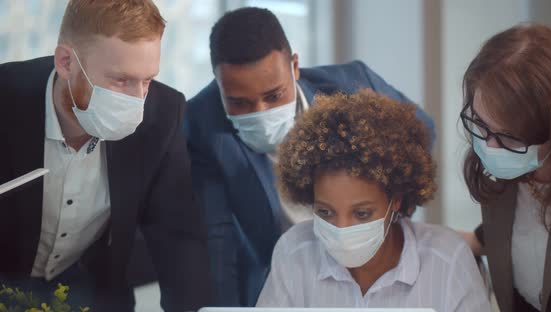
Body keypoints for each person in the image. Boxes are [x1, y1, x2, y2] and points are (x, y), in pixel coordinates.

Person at [183, 7, 435, 307]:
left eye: (274, 95)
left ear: (295, 66)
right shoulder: (200, 123)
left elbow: (420, 133)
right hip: (283, 276)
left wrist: (388, 216)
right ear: (218, 83)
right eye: (239, 103)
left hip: (372, 261)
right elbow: (218, 243)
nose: (260, 112)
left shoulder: (354, 86)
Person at [0, 1, 209, 310]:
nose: (137, 101)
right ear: (66, 62)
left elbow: (178, 240)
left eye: (147, 80)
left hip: (95, 296)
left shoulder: (162, 115)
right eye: (120, 80)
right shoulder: (6, 97)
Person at [255, 89, 489, 311]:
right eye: (326, 212)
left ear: (395, 200)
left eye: (362, 213)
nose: (342, 230)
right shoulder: (294, 252)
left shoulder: (447, 260)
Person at [459, 24, 551, 311]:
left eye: (508, 137)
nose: (489, 148)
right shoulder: (509, 180)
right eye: (480, 124)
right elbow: (503, 239)